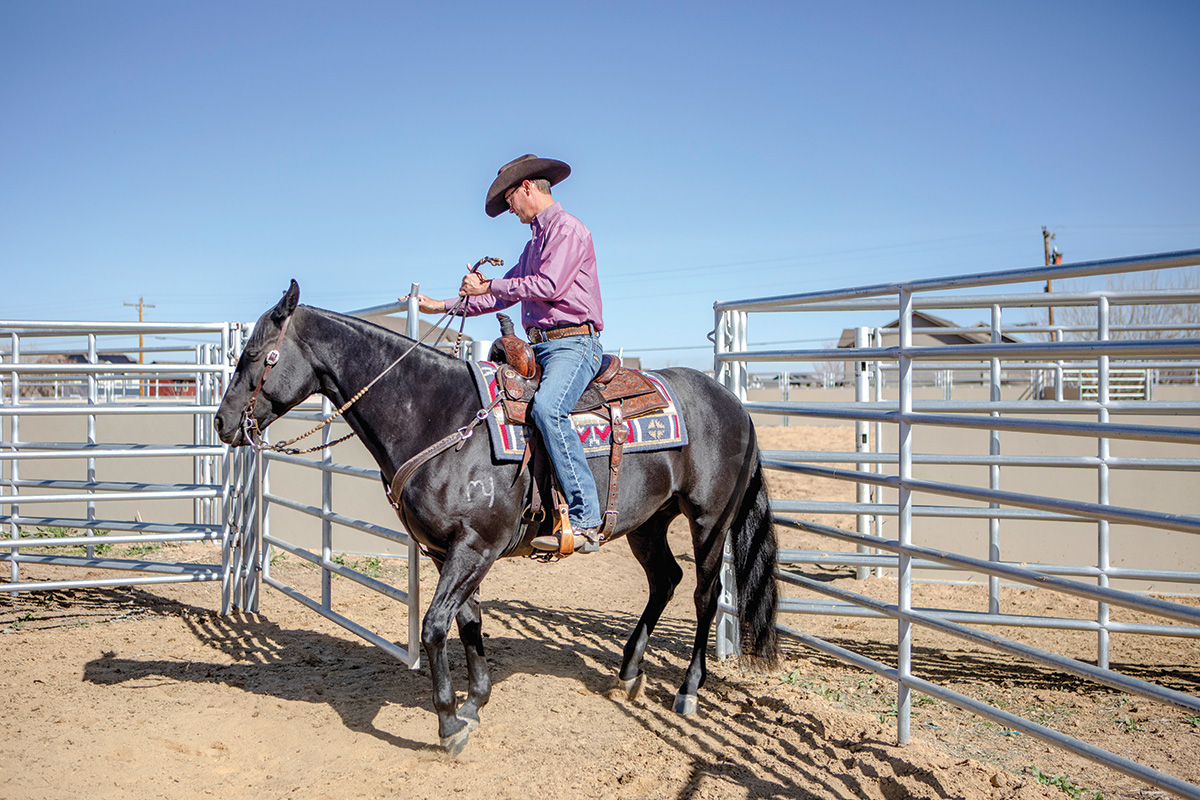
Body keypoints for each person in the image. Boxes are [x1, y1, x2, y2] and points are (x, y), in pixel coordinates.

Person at [401, 154, 605, 554]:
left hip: (573, 344)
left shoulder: (568, 230)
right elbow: (499, 295)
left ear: (528, 187)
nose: (510, 209)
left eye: (510, 199)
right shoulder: (534, 243)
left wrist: (488, 284)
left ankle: (587, 518)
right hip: (542, 345)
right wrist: (441, 305)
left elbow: (548, 286)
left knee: (548, 409)